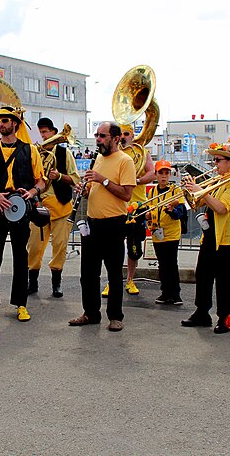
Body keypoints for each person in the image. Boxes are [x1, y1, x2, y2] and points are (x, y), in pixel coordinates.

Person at [0, 106, 44, 323]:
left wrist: (31, 192)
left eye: (6, 120)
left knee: (20, 257)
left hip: (20, 209)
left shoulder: (30, 150)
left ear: (15, 123)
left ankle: (21, 304)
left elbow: (41, 181)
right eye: (0, 121)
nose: (2, 124)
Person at [68, 121, 135, 332]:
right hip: (93, 223)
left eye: (102, 136)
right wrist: (86, 190)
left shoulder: (125, 161)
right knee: (88, 273)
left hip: (114, 224)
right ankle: (90, 313)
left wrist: (102, 180)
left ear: (115, 138)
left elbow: (126, 194)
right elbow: (96, 190)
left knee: (114, 274)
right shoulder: (96, 159)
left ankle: (115, 316)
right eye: (97, 135)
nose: (98, 140)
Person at [180, 143, 230, 334]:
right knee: (203, 274)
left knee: (225, 279)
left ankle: (224, 318)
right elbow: (197, 203)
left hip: (229, 239)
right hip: (211, 235)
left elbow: (221, 207)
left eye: (218, 160)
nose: (215, 163)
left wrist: (203, 190)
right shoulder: (218, 180)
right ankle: (202, 312)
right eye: (215, 160)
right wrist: (191, 192)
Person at [28, 117, 80, 298]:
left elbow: (75, 179)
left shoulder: (64, 153)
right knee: (34, 246)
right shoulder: (34, 152)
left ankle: (56, 283)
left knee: (60, 246)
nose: (43, 136)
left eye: (46, 132)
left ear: (54, 133)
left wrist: (58, 176)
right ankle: (32, 281)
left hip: (61, 206)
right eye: (41, 132)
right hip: (39, 207)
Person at [102, 124, 155, 298]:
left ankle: (130, 279)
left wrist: (134, 180)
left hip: (137, 206)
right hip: (116, 206)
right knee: (112, 247)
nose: (124, 137)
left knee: (133, 247)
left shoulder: (141, 152)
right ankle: (112, 281)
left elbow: (152, 173)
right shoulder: (112, 155)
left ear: (132, 136)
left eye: (127, 134)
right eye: (122, 133)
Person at [144, 160, 187, 305]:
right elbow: (148, 210)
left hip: (172, 233)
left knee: (171, 263)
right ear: (155, 174)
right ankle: (165, 293)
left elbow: (180, 213)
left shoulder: (175, 190)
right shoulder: (152, 192)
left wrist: (171, 210)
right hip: (157, 232)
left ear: (170, 174)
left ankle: (175, 294)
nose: (164, 176)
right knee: (162, 264)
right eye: (161, 173)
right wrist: (147, 216)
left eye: (166, 173)